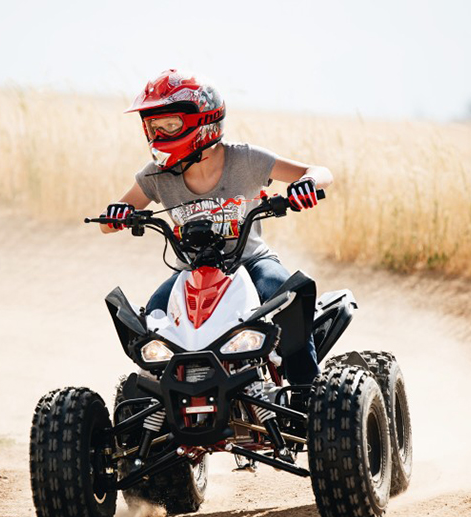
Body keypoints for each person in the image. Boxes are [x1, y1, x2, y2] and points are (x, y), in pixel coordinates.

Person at [98, 69, 332, 385]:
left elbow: (320, 171)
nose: (160, 134)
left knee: (289, 300)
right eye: (154, 126)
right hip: (189, 273)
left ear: (204, 120)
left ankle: (309, 394)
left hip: (251, 263)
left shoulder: (245, 159)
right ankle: (153, 406)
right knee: (150, 326)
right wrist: (117, 214)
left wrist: (306, 184)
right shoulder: (156, 174)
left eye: (170, 124)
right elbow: (111, 221)